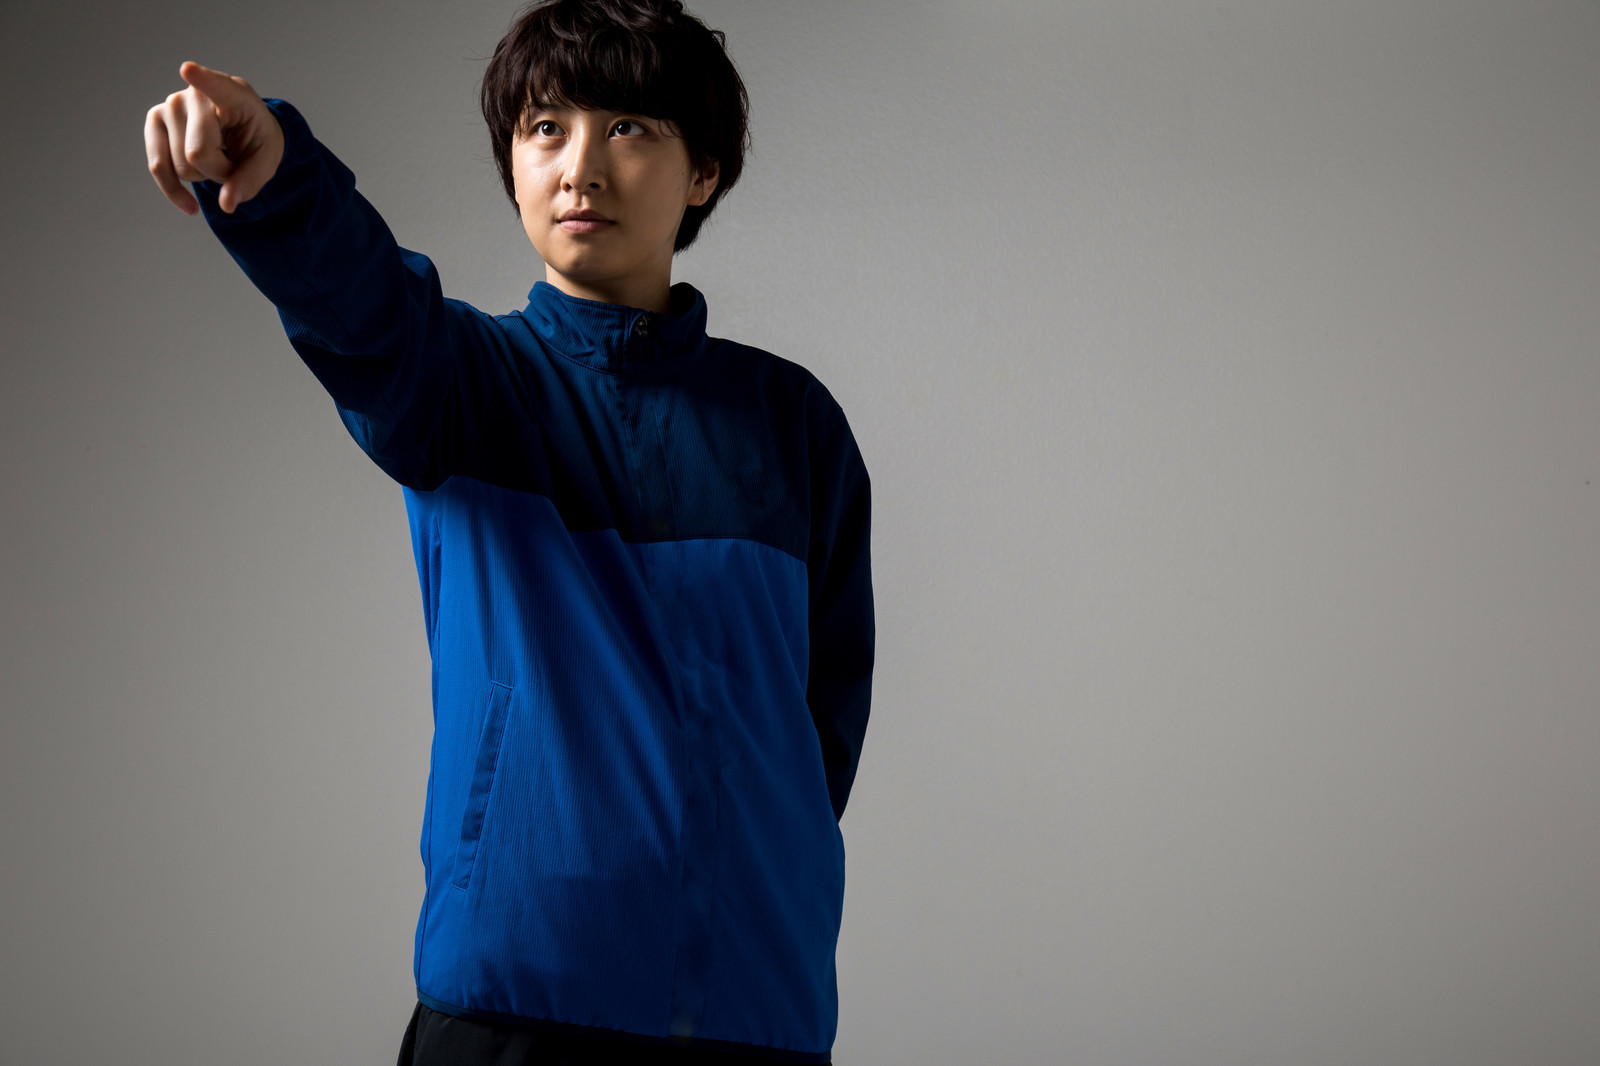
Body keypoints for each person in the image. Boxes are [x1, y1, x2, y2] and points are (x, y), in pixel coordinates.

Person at [142, 1, 874, 1063]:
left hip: (755, 1008)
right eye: (546, 128)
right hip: (512, 1007)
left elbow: (819, 733)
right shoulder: (462, 387)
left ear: (704, 171)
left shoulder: (794, 424)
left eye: (629, 127)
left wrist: (754, 868)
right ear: (514, 163)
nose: (581, 168)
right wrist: (277, 175)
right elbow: (360, 304)